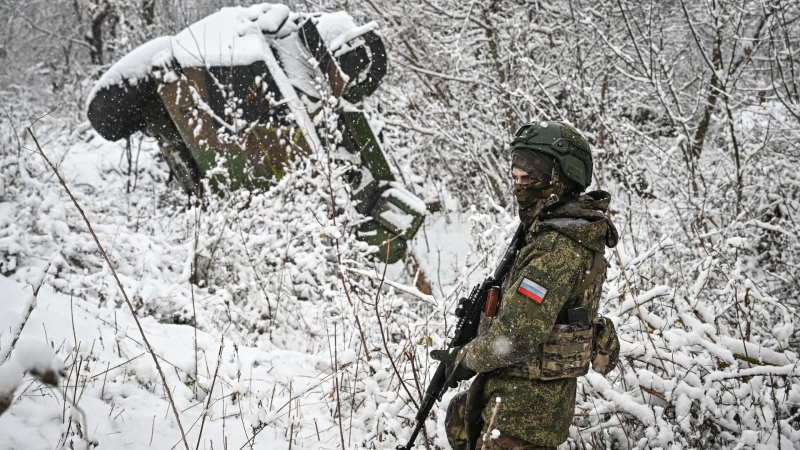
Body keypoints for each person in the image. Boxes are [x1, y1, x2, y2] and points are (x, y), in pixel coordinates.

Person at [433, 120, 620, 450]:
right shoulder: (557, 231)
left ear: (562, 178)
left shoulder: (554, 249)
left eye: (530, 177)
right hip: (524, 411)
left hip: (520, 418)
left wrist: (464, 359)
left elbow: (516, 339)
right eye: (516, 176)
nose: (520, 186)